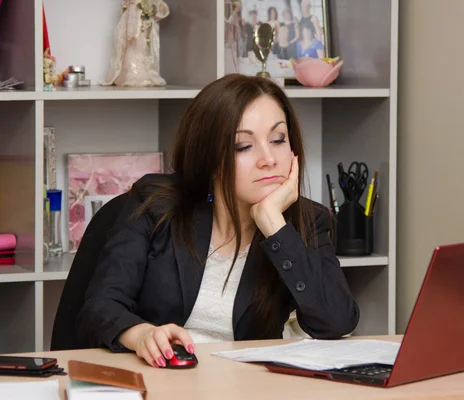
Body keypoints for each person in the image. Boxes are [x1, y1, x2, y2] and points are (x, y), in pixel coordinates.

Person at [76, 73, 360, 368]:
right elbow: (99, 307)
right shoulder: (156, 206)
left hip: (247, 387)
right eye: (243, 146)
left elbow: (337, 321)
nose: (269, 159)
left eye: (278, 140)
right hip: (161, 380)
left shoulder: (308, 222)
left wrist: (274, 225)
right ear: (209, 158)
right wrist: (142, 335)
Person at [103, 0, 170, 86]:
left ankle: (146, 75)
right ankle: (128, 74)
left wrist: (149, 10)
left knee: (143, 47)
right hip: (132, 18)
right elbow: (125, 7)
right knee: (131, 46)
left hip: (143, 22)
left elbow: (161, 9)